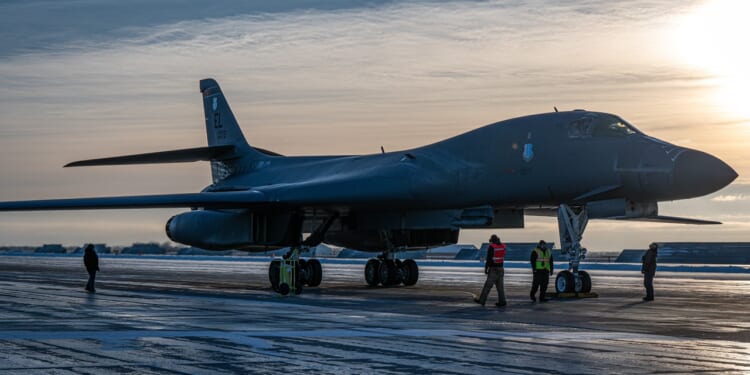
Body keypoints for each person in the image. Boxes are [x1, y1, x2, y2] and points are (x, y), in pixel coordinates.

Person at [474, 234, 507, 307]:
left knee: (487, 286)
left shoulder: (492, 247)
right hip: (501, 268)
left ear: (492, 240)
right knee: (500, 287)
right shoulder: (503, 246)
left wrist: (486, 268)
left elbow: (489, 259)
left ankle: (482, 300)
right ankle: (502, 301)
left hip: (493, 269)